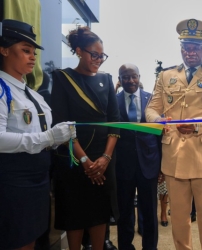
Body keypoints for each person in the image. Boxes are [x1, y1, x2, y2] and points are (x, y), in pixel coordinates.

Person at [145, 18, 202, 250]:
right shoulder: (165, 76)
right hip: (174, 157)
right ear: (180, 47)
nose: (190, 52)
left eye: (195, 47)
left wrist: (196, 124)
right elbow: (151, 108)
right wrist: (159, 120)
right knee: (179, 220)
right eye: (186, 46)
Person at [0, 19, 75, 250]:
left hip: (40, 176)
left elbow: (42, 133)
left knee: (35, 235)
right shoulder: (2, 89)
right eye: (25, 50)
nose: (32, 57)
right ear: (3, 50)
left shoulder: (34, 95)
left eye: (33, 52)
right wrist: (49, 138)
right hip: (14, 179)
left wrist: (59, 137)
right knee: (18, 239)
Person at [50, 26, 120, 250]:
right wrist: (85, 161)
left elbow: (115, 123)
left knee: (99, 213)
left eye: (102, 55)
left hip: (103, 159)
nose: (99, 59)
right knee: (75, 214)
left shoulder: (106, 80)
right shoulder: (63, 78)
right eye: (94, 54)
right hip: (74, 160)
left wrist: (105, 158)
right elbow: (62, 124)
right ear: (79, 51)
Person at [115, 63, 161, 250]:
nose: (130, 80)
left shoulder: (152, 100)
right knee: (124, 213)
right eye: (125, 77)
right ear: (120, 79)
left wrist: (162, 165)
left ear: (139, 77)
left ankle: (150, 247)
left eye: (133, 76)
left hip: (148, 164)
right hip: (122, 165)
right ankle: (126, 247)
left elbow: (159, 134)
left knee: (149, 212)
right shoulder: (113, 100)